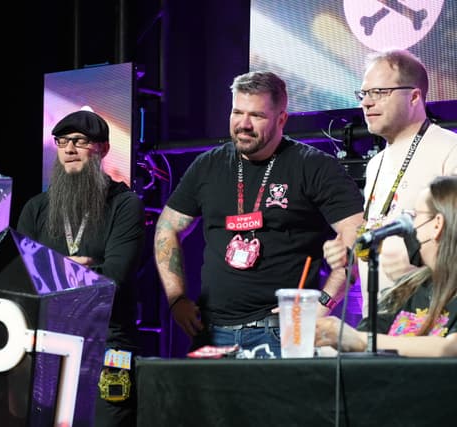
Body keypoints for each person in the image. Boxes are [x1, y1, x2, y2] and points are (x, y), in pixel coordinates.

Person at [153, 71, 364, 357]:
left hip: (281, 330)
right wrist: (176, 299)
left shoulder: (314, 166)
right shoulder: (208, 166)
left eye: (257, 115)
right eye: (237, 112)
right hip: (213, 331)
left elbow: (357, 235)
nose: (244, 124)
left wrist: (324, 302)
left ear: (281, 119)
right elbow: (167, 228)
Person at [16, 109, 145, 427]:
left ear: (102, 149)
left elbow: (114, 279)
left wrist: (53, 270)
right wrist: (82, 268)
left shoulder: (125, 205)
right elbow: (21, 280)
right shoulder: (36, 209)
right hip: (49, 339)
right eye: (62, 142)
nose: (69, 149)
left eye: (79, 141)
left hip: (108, 342)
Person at [323, 49, 457, 317]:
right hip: (379, 321)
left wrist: (414, 275)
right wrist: (347, 254)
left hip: (432, 322)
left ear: (414, 96)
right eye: (363, 94)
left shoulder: (450, 149)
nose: (366, 103)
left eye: (379, 92)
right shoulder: (376, 163)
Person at [316, 175, 457, 357]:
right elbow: (366, 335)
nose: (411, 225)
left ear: (437, 224)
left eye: (416, 215)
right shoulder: (408, 288)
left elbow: (450, 347)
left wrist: (359, 341)